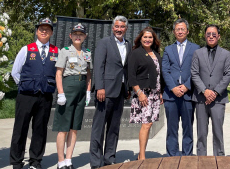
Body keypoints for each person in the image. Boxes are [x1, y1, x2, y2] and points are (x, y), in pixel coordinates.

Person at [10, 18, 59, 169]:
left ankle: (35, 161)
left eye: (47, 29)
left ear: (51, 32)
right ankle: (17, 161)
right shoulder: (27, 49)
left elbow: (58, 73)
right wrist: (27, 85)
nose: (44, 31)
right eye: (41, 29)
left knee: (40, 129)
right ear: (37, 31)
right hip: (26, 95)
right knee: (20, 128)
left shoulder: (55, 51)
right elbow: (15, 72)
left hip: (45, 96)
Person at [89, 15, 132, 168]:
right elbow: (98, 66)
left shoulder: (128, 45)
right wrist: (100, 87)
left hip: (120, 92)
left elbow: (125, 68)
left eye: (122, 27)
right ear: (113, 28)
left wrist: (128, 88)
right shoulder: (104, 43)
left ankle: (110, 158)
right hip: (105, 92)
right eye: (117, 26)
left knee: (114, 128)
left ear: (126, 28)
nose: (119, 29)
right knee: (99, 128)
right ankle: (95, 161)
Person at [52, 23, 92, 169]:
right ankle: (60, 161)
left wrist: (88, 91)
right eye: (75, 34)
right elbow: (58, 73)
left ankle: (69, 160)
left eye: (81, 34)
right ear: (70, 36)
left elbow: (88, 74)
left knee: (74, 127)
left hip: (81, 89)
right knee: (63, 127)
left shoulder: (87, 52)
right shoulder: (65, 51)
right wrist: (61, 93)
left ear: (84, 36)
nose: (78, 36)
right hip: (68, 86)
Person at [190, 24, 230, 156]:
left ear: (219, 36)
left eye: (214, 34)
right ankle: (201, 158)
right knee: (201, 132)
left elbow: (227, 75)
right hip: (201, 99)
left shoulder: (226, 54)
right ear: (205, 36)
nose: (211, 36)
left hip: (218, 99)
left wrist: (214, 92)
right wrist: (204, 91)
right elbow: (194, 73)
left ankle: (219, 158)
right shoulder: (198, 53)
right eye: (208, 34)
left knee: (218, 132)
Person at [161, 19, 200, 156]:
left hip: (188, 94)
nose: (180, 31)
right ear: (174, 32)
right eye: (177, 29)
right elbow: (164, 70)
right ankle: (172, 155)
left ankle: (187, 155)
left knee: (187, 127)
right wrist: (173, 87)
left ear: (187, 31)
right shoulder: (168, 49)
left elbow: (197, 69)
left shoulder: (196, 48)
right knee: (172, 128)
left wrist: (187, 86)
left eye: (183, 29)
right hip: (171, 95)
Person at [128, 27, 163, 160]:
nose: (147, 39)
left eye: (150, 37)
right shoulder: (135, 53)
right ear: (140, 39)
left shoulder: (156, 53)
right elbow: (131, 75)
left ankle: (141, 153)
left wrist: (160, 92)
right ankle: (142, 156)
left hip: (155, 93)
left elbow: (159, 75)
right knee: (146, 123)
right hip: (143, 94)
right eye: (145, 37)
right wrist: (139, 92)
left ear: (153, 39)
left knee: (149, 124)